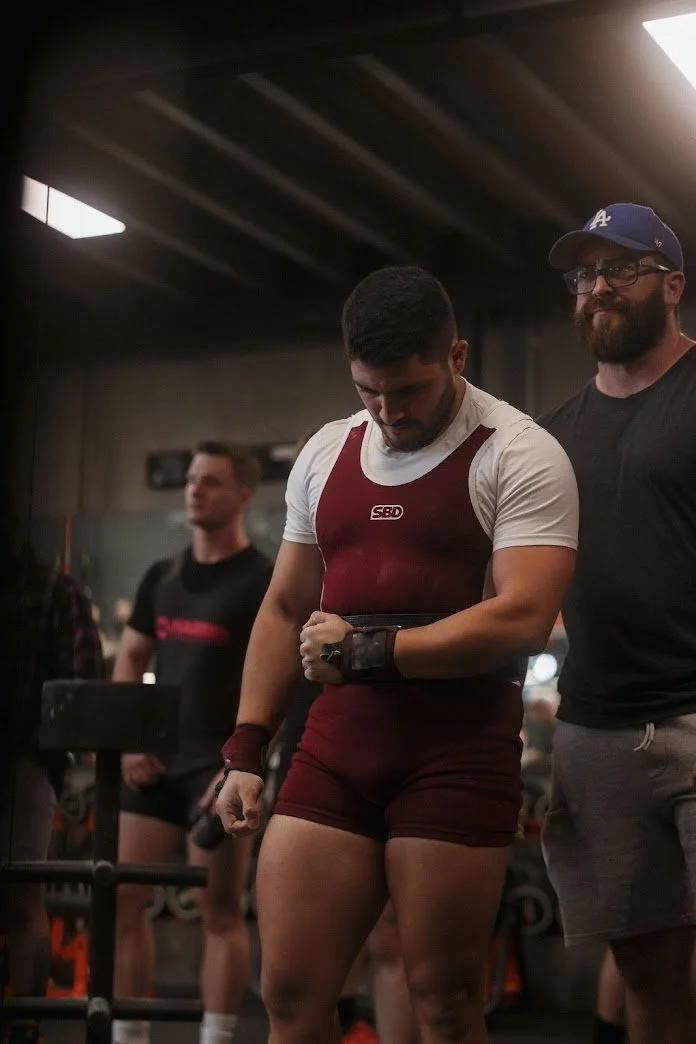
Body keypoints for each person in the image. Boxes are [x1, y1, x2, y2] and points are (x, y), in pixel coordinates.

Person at [216, 265, 578, 1044]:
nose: (387, 413)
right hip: (337, 750)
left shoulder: (519, 452)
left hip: (457, 752)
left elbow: (524, 616)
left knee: (444, 1004)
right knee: (289, 994)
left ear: (456, 356)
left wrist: (372, 651)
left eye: (406, 392)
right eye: (368, 391)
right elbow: (284, 607)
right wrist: (247, 748)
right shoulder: (326, 452)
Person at [539, 203, 696, 1044]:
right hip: (596, 733)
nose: (597, 286)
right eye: (585, 273)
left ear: (672, 285)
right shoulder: (551, 437)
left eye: (620, 268)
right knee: (647, 974)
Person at [111, 441, 273, 1044]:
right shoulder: (164, 576)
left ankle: (216, 1037)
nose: (194, 489)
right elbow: (130, 658)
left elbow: (280, 677)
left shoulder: (262, 579)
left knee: (220, 913)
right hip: (152, 766)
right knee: (123, 899)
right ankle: (130, 1035)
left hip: (219, 770)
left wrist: (244, 763)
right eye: (191, 480)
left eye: (209, 481)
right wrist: (128, 742)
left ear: (243, 494)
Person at [0, 532, 104, 1044]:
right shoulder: (53, 589)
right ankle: (24, 1026)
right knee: (24, 901)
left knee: (23, 899)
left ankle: (24, 1024)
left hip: (24, 761)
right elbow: (83, 679)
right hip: (29, 760)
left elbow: (84, 685)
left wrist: (42, 752)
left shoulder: (53, 590)